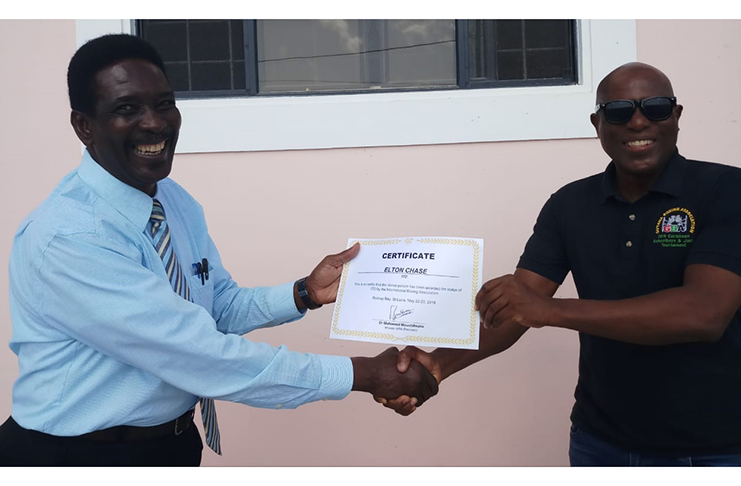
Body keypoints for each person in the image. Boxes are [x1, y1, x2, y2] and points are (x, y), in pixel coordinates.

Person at [0, 34, 438, 466]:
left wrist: (304, 292)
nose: (154, 123)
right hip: (75, 458)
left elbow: (216, 308)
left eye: (164, 103)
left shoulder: (173, 200)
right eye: (126, 109)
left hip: (168, 445)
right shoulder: (71, 238)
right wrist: (363, 373)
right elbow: (195, 353)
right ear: (84, 126)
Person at [380, 62, 741, 466]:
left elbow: (705, 313)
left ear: (676, 116)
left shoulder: (726, 190)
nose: (638, 122)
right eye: (619, 111)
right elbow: (519, 306)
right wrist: (436, 366)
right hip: (601, 443)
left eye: (655, 107)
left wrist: (550, 311)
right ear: (597, 123)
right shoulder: (570, 204)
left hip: (718, 449)